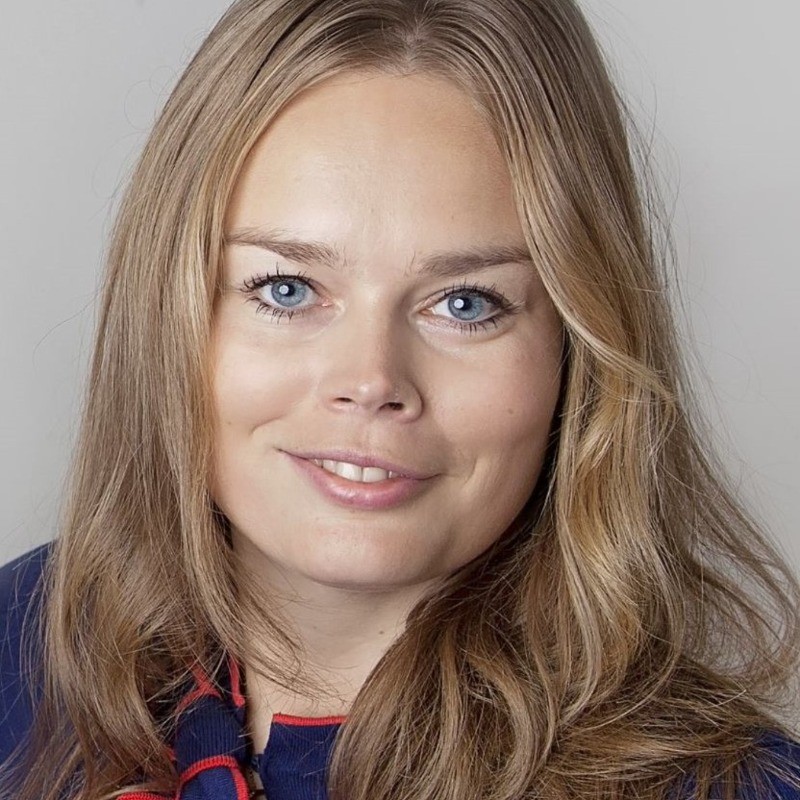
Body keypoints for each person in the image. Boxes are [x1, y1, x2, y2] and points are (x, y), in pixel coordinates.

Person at [1, 0, 798, 798]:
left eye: (465, 303)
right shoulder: (18, 643)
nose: (372, 379)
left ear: (579, 348)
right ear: (167, 315)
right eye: (287, 288)